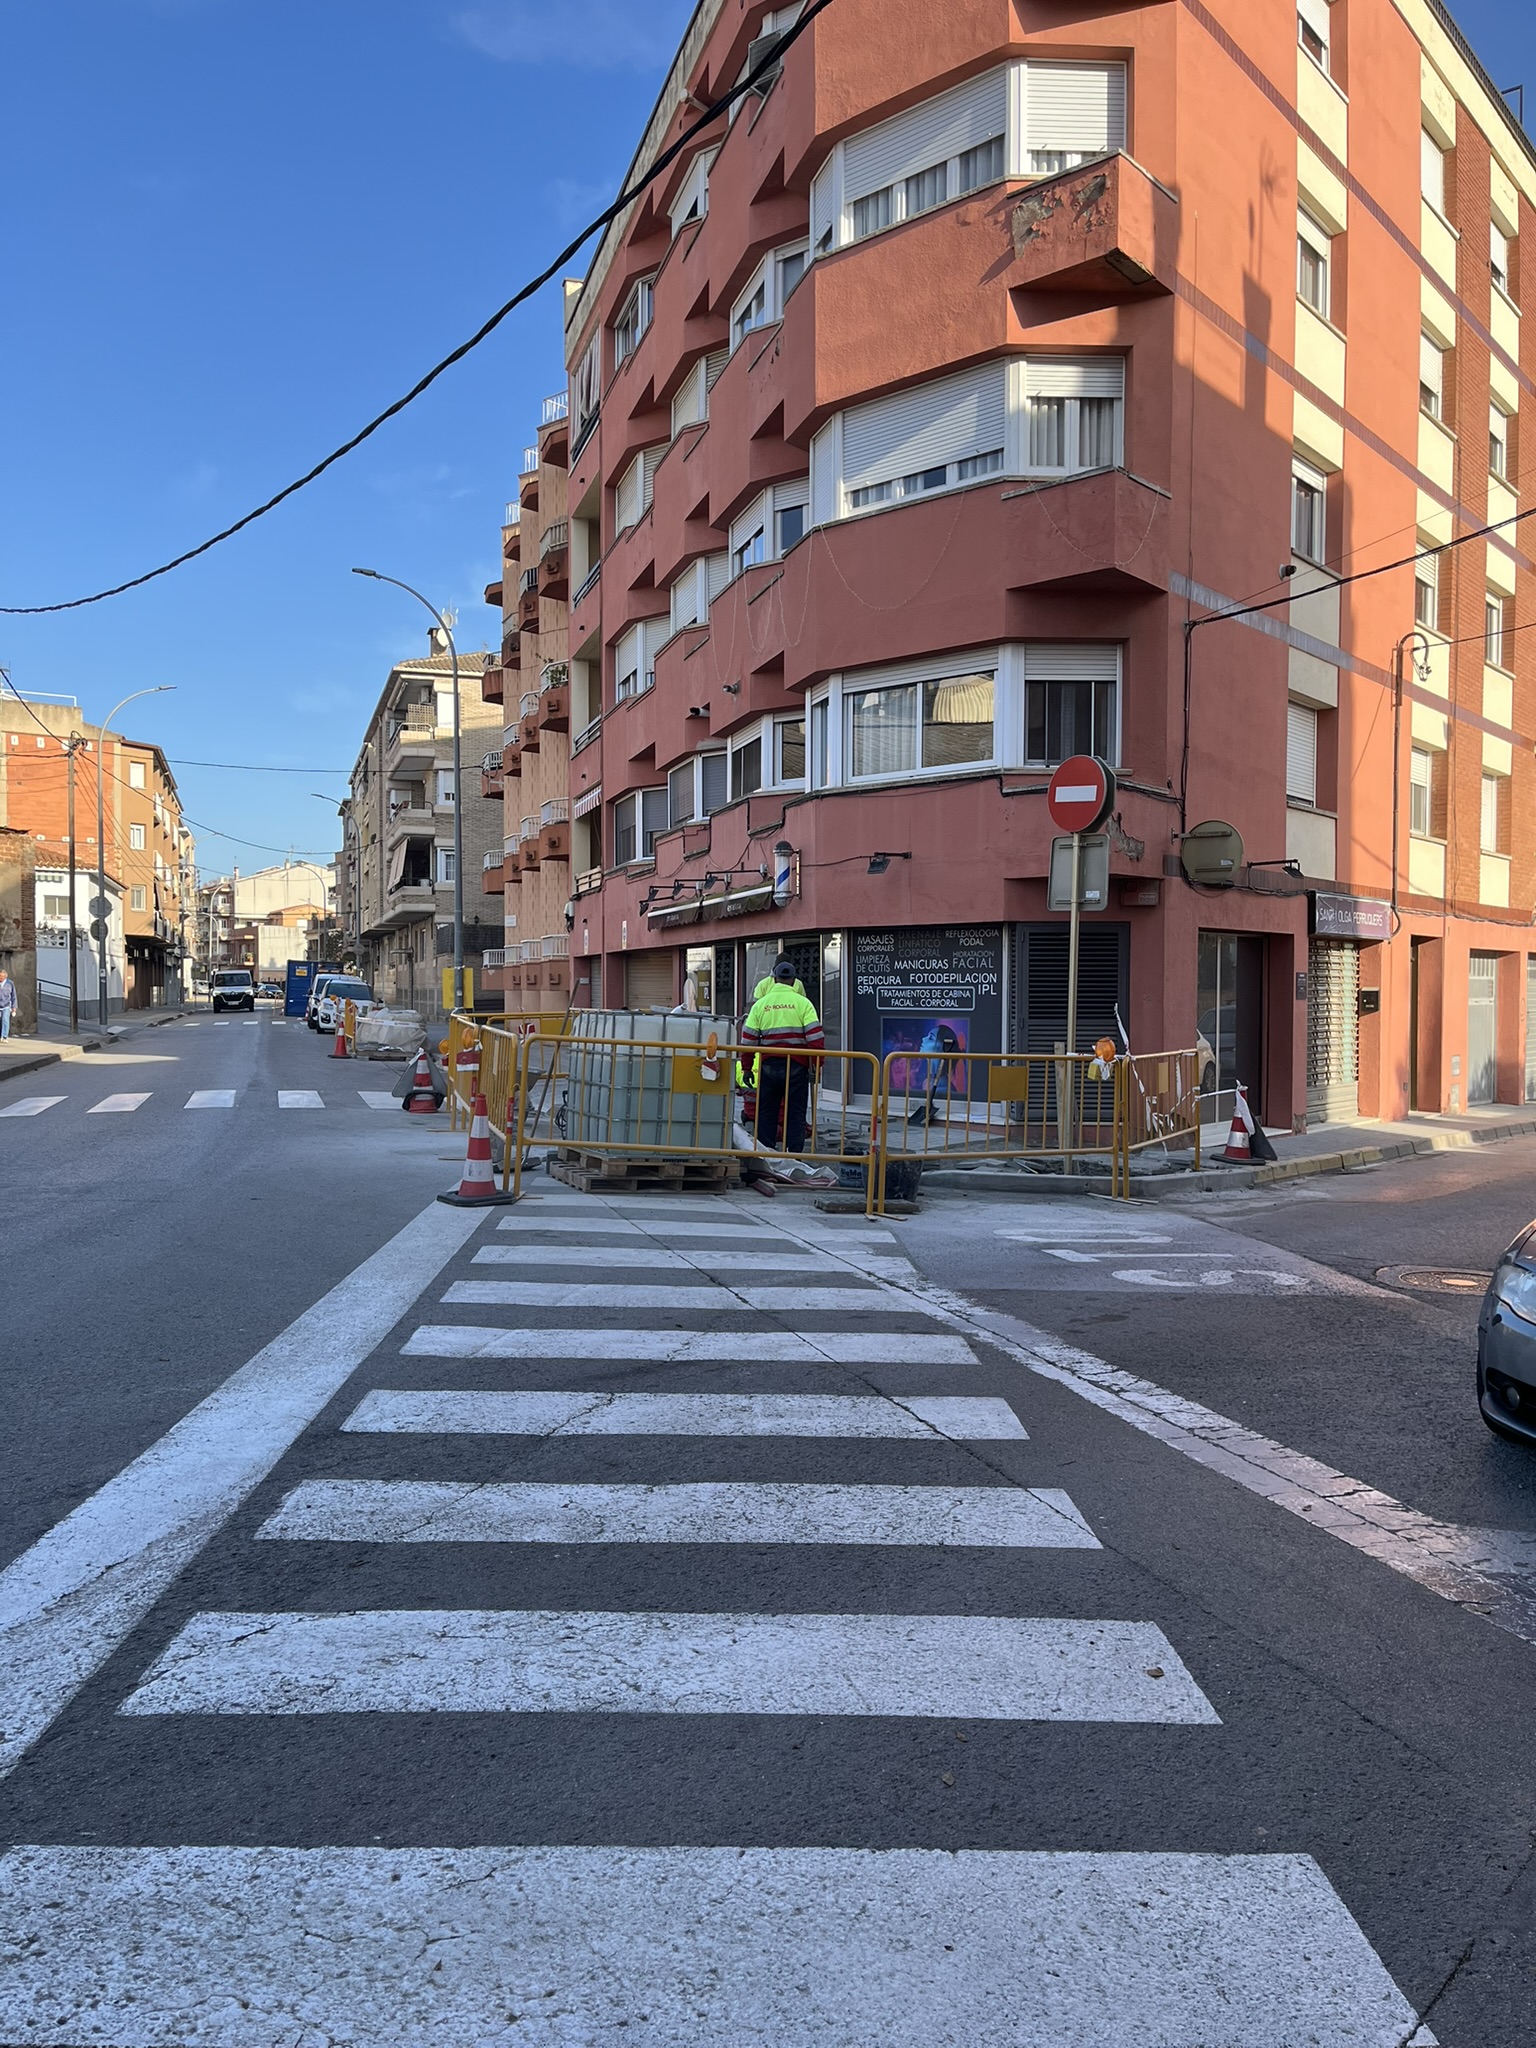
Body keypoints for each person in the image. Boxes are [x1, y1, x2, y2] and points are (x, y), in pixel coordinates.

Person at [741, 957, 824, 1153]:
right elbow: (816, 1040)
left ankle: (765, 1155)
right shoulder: (803, 1003)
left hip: (769, 1067)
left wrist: (746, 1068)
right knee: (795, 1114)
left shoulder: (761, 1005)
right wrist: (816, 1067)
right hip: (797, 1067)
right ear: (794, 981)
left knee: (766, 1113)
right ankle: (794, 1156)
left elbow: (748, 1040)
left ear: (775, 979)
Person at [0, 967, 15, 1041]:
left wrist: (14, 1007)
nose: (0, 978)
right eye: (0, 976)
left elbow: (13, 995)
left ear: (6, 976)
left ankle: (4, 1036)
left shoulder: (10, 983)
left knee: (5, 1020)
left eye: (2, 977)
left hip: (6, 1005)